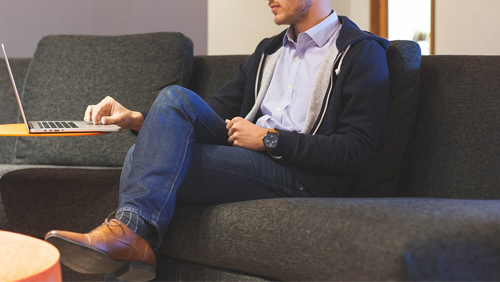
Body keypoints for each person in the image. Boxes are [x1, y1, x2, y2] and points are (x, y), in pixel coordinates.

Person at [45, 0, 390, 281]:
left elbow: (355, 151)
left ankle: (131, 237)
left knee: (143, 159)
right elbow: (203, 114)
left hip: (303, 177)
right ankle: (133, 238)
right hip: (250, 160)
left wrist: (270, 140)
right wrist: (137, 119)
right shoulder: (269, 52)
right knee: (175, 100)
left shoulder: (359, 53)